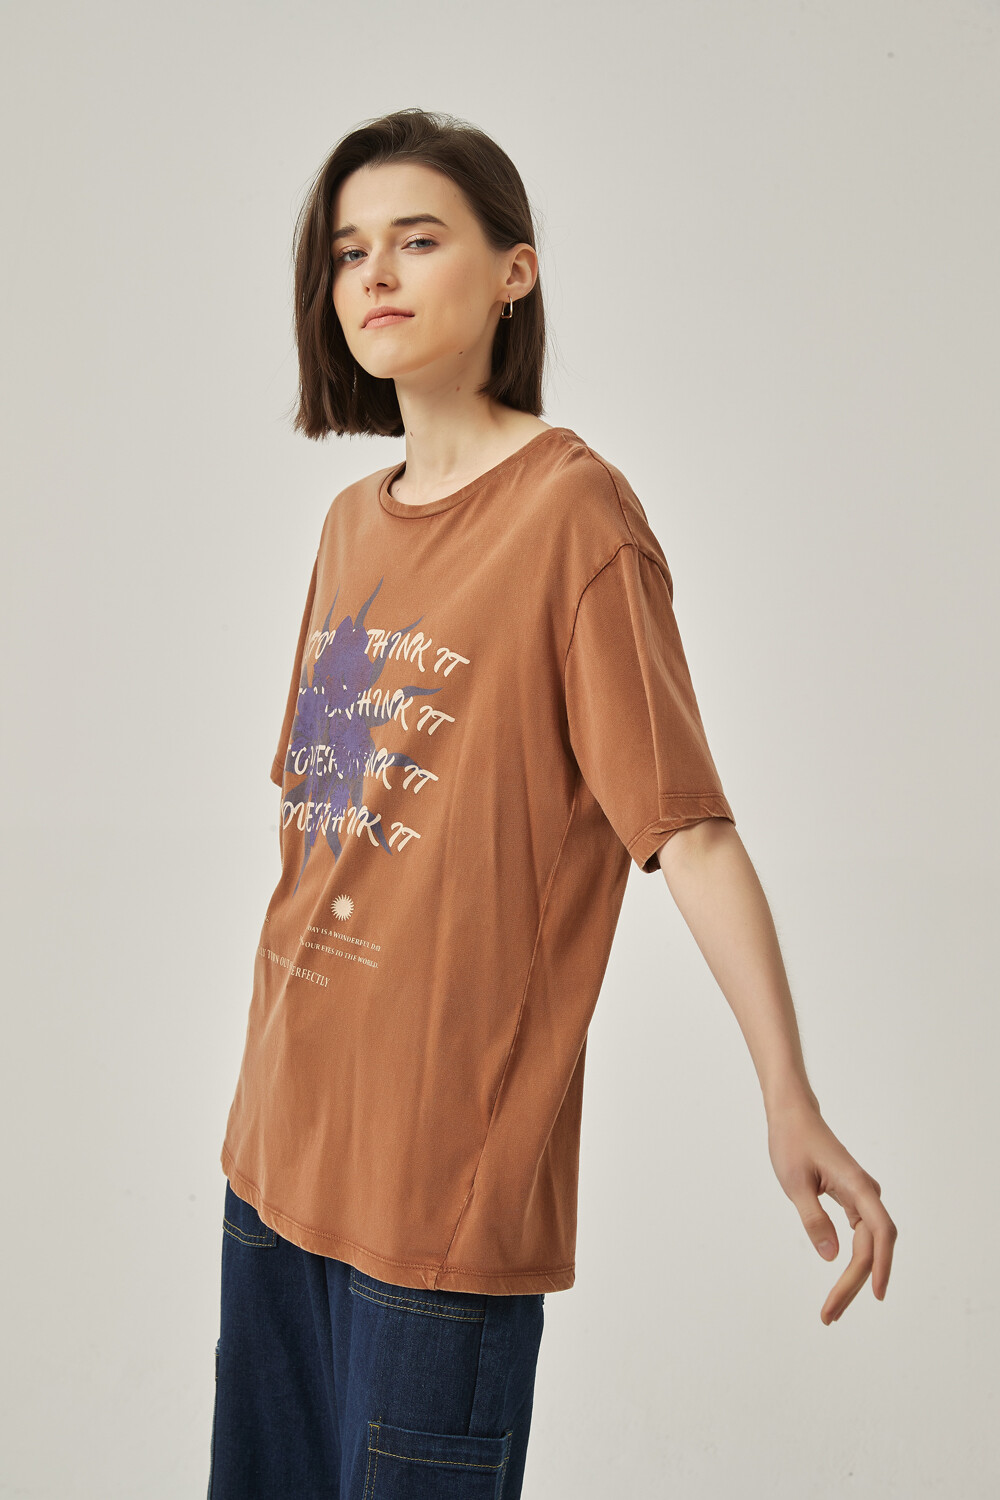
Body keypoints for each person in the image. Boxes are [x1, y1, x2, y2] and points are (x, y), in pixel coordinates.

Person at [207, 107, 897, 1499]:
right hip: (275, 1148)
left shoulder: (574, 516)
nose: (374, 275)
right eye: (348, 250)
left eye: (418, 239)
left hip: (440, 1186)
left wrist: (789, 1095)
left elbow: (687, 830)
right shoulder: (350, 523)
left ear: (513, 270)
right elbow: (326, 827)